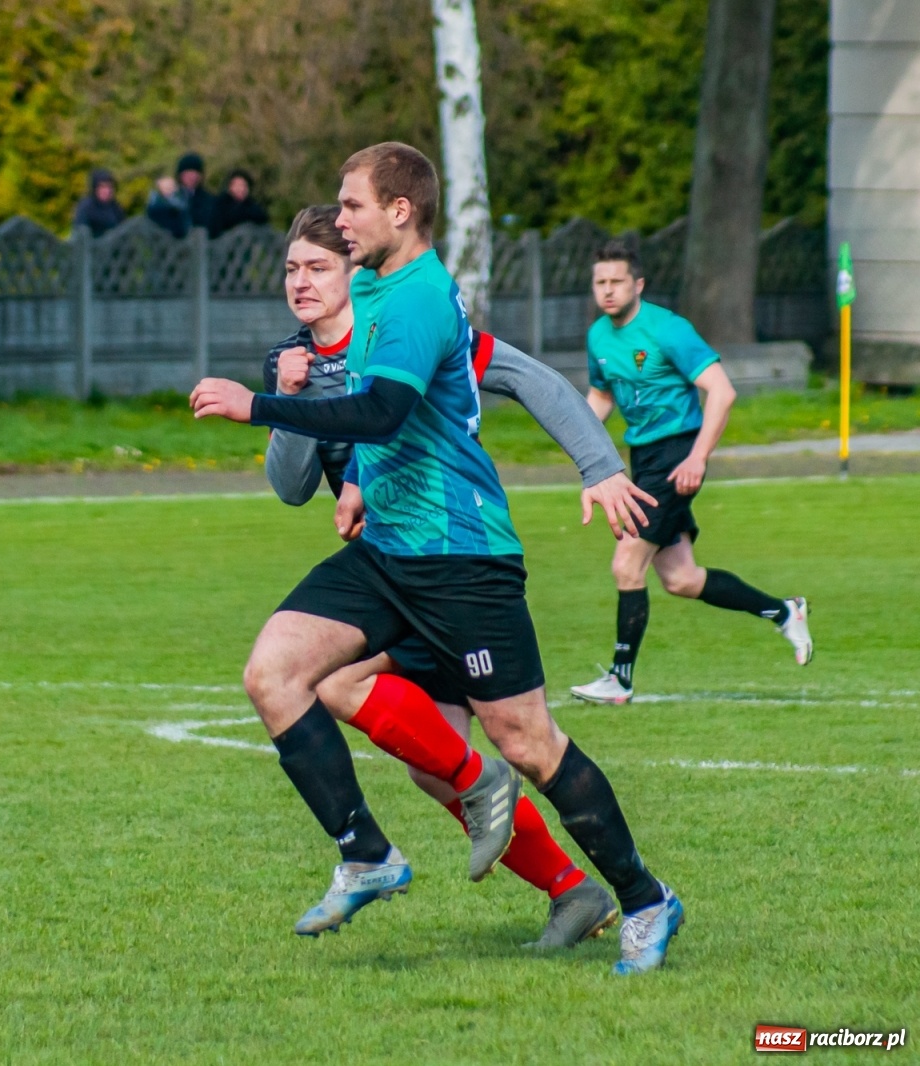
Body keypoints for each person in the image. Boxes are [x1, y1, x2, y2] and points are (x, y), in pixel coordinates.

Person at [190, 142, 685, 975]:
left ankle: (643, 899)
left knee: (528, 742)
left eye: (347, 211)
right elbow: (376, 429)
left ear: (399, 212)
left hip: (462, 560)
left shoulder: (416, 298)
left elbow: (389, 410)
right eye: (304, 255)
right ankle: (366, 854)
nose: (336, 228)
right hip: (389, 552)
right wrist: (352, 472)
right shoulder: (377, 290)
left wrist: (258, 407)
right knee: (277, 672)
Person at [265, 204, 653, 946]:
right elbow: (288, 485)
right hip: (389, 570)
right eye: (292, 268)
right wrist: (291, 402)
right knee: (413, 748)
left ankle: (625, 888)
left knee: (518, 740)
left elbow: (529, 381)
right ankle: (568, 887)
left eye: (318, 266)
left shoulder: (414, 328)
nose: (302, 282)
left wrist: (601, 465)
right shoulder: (298, 360)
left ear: (356, 274)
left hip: (456, 560)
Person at [569, 239, 813, 705]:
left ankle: (620, 680)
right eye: (600, 282)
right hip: (643, 460)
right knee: (681, 579)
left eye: (617, 281)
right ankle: (785, 612)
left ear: (638, 284)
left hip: (676, 454)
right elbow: (602, 396)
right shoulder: (598, 335)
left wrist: (697, 457)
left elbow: (721, 392)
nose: (608, 290)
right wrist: (574, 433)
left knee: (626, 563)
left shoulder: (668, 330)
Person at [145, 152, 214, 237]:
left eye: (195, 173)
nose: (192, 176)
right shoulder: (170, 197)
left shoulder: (209, 199)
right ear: (180, 174)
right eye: (188, 172)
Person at [209, 169, 270, 238]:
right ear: (230, 187)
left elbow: (262, 217)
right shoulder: (220, 204)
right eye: (238, 185)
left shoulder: (251, 205)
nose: (241, 189)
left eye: (244, 186)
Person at [73, 168, 126, 237]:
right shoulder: (86, 207)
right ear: (95, 188)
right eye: (102, 187)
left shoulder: (116, 208)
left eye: (109, 187)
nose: (106, 191)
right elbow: (80, 234)